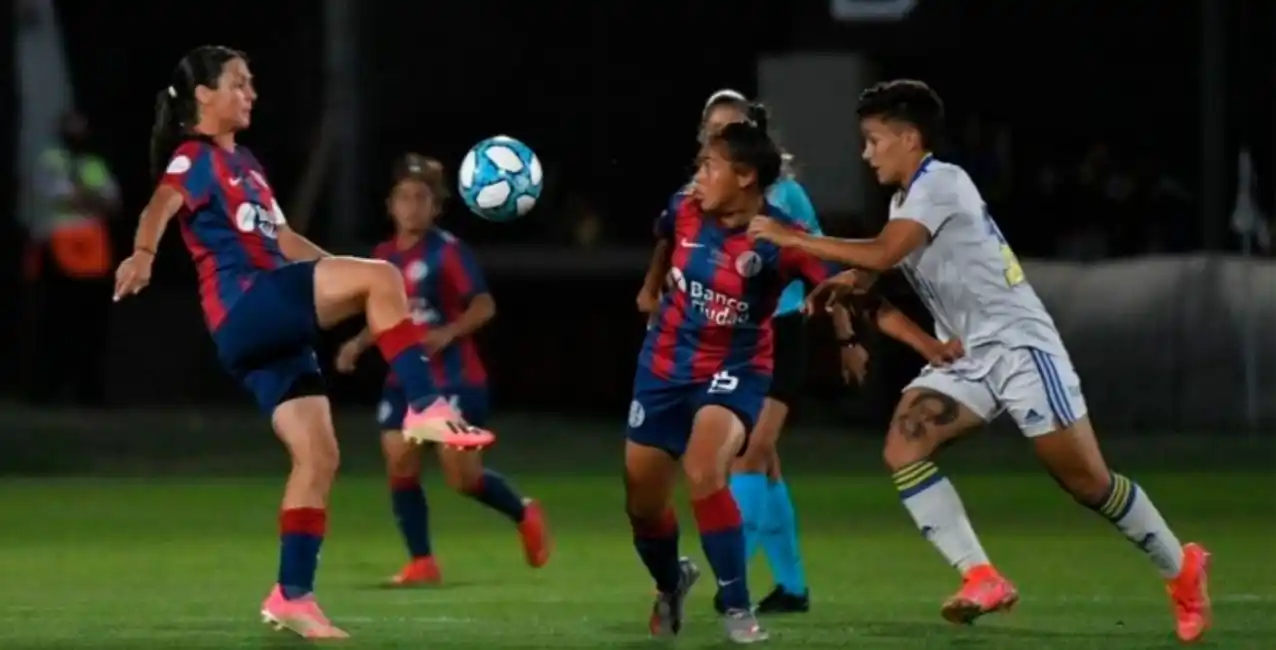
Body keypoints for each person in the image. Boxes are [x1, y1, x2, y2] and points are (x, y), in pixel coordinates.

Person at [749, 79, 1211, 642]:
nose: (866, 153)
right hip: (969, 356)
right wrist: (845, 284)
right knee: (904, 445)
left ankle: (1181, 567)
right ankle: (982, 577)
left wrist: (793, 238)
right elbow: (876, 266)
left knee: (1087, 482)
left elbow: (885, 252)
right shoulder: (905, 201)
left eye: (873, 140)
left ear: (909, 138)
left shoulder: (942, 182)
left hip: (1019, 348)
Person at [112, 45, 493, 640]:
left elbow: (285, 240)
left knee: (318, 457)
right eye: (238, 83)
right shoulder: (195, 157)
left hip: (267, 331)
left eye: (251, 82)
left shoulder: (246, 163)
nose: (251, 93)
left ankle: (292, 594)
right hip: (247, 307)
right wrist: (142, 254)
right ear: (203, 96)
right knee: (383, 276)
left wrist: (345, 277)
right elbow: (160, 204)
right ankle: (425, 404)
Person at [627, 111, 948, 644]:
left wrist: (925, 345)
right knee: (642, 504)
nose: (698, 177)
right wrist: (651, 288)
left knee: (705, 467)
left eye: (709, 166)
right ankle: (671, 580)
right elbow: (664, 240)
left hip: (735, 369)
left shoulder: (781, 238)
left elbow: (850, 290)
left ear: (745, 176)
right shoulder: (684, 208)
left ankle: (737, 606)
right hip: (662, 369)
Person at [335, 153, 551, 586]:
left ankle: (523, 511)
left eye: (422, 198)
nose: (412, 206)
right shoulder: (382, 259)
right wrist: (358, 343)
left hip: (454, 378)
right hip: (404, 379)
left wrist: (448, 333)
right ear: (390, 205)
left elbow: (484, 305)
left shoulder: (448, 252)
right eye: (404, 197)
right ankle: (422, 561)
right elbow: (386, 316)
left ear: (436, 207)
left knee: (462, 478)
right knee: (399, 463)